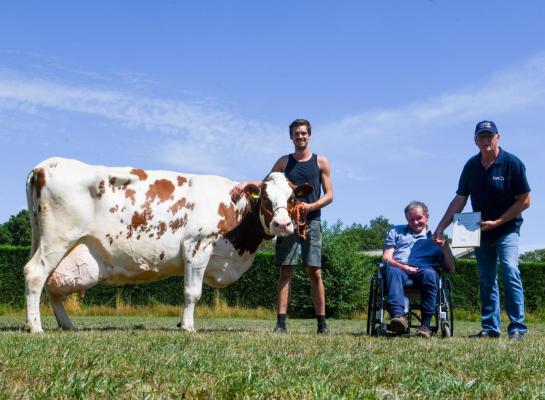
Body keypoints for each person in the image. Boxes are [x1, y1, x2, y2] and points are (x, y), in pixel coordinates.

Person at [231, 118, 333, 334]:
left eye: (304, 133)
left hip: (312, 222)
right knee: (286, 271)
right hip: (287, 223)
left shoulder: (320, 162)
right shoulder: (284, 162)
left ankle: (322, 325)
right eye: (297, 134)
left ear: (310, 135)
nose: (300, 137)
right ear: (291, 137)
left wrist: (310, 205)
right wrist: (244, 184)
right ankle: (281, 324)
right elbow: (265, 183)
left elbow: (330, 195)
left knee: (315, 272)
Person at [433, 120, 531, 341]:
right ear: (475, 140)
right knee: (487, 279)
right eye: (481, 137)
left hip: (507, 229)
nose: (486, 140)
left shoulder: (512, 164)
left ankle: (517, 327)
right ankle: (490, 328)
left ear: (498, 137)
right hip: (480, 231)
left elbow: (525, 201)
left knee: (510, 270)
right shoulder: (471, 166)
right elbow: (459, 199)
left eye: (490, 136)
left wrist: (498, 221)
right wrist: (440, 227)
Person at [383, 201, 455, 338]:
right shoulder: (396, 231)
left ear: (427, 217)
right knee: (392, 269)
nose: (415, 222)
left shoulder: (435, 239)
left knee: (430, 274)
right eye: (411, 219)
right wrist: (403, 266)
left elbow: (451, 268)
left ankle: (425, 325)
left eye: (419, 218)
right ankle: (399, 318)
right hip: (399, 268)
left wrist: (445, 246)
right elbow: (386, 258)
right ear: (407, 219)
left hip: (424, 270)